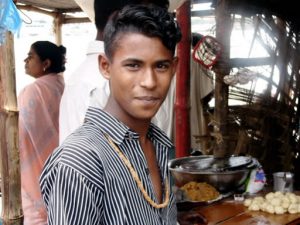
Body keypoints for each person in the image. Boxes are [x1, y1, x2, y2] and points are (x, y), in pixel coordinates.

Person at [40, 4, 181, 224]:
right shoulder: (79, 163)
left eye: (161, 66)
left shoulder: (160, 146)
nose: (150, 82)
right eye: (133, 65)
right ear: (105, 66)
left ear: (174, 68)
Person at [59, 0, 172, 144]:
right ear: (118, 18)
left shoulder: (86, 74)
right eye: (147, 14)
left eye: (161, 66)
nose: (149, 82)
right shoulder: (100, 82)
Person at [18, 41, 66, 225]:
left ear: (45, 64)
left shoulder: (32, 91)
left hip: (36, 172)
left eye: (30, 57)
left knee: (37, 216)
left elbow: (19, 135)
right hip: (61, 172)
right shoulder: (62, 86)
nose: (25, 60)